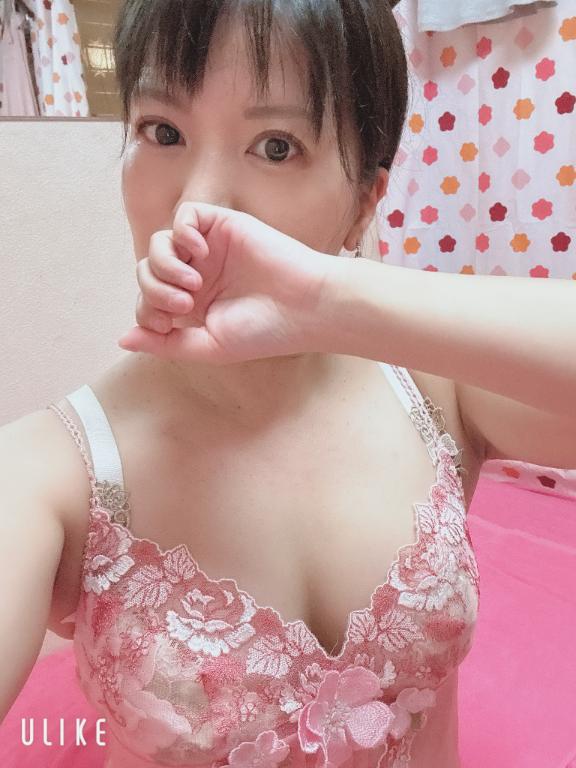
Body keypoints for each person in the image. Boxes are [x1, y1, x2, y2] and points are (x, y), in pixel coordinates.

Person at [2, 1, 574, 767]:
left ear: (366, 201)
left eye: (276, 146)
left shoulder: (435, 391)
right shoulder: (52, 470)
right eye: (162, 132)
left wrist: (331, 299)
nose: (197, 205)